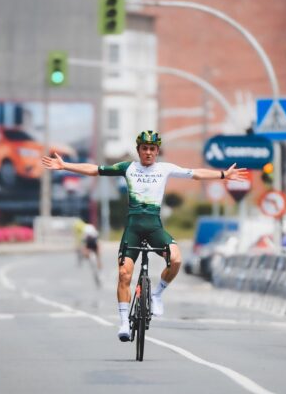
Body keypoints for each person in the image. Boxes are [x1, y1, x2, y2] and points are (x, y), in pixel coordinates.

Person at [42, 130, 249, 341]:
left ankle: (157, 293)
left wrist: (223, 175)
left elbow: (195, 173)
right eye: (144, 148)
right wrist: (65, 166)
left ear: (157, 151)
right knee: (124, 275)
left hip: (154, 228)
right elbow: (95, 170)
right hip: (132, 229)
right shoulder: (128, 168)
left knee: (176, 259)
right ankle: (124, 322)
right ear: (138, 150)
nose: (148, 152)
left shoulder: (165, 169)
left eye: (152, 149)